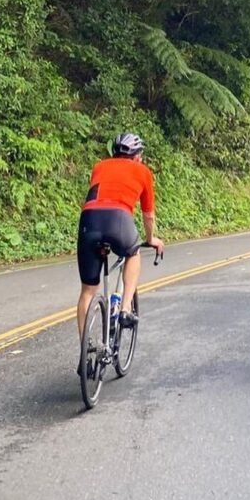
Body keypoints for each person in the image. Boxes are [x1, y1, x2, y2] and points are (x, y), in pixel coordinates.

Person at [76, 133, 164, 369]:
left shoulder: (99, 166)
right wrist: (150, 238)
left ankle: (86, 352)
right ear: (137, 157)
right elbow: (148, 214)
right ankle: (125, 309)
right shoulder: (143, 172)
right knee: (133, 254)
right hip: (119, 220)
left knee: (87, 290)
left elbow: (98, 195)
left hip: (89, 221)